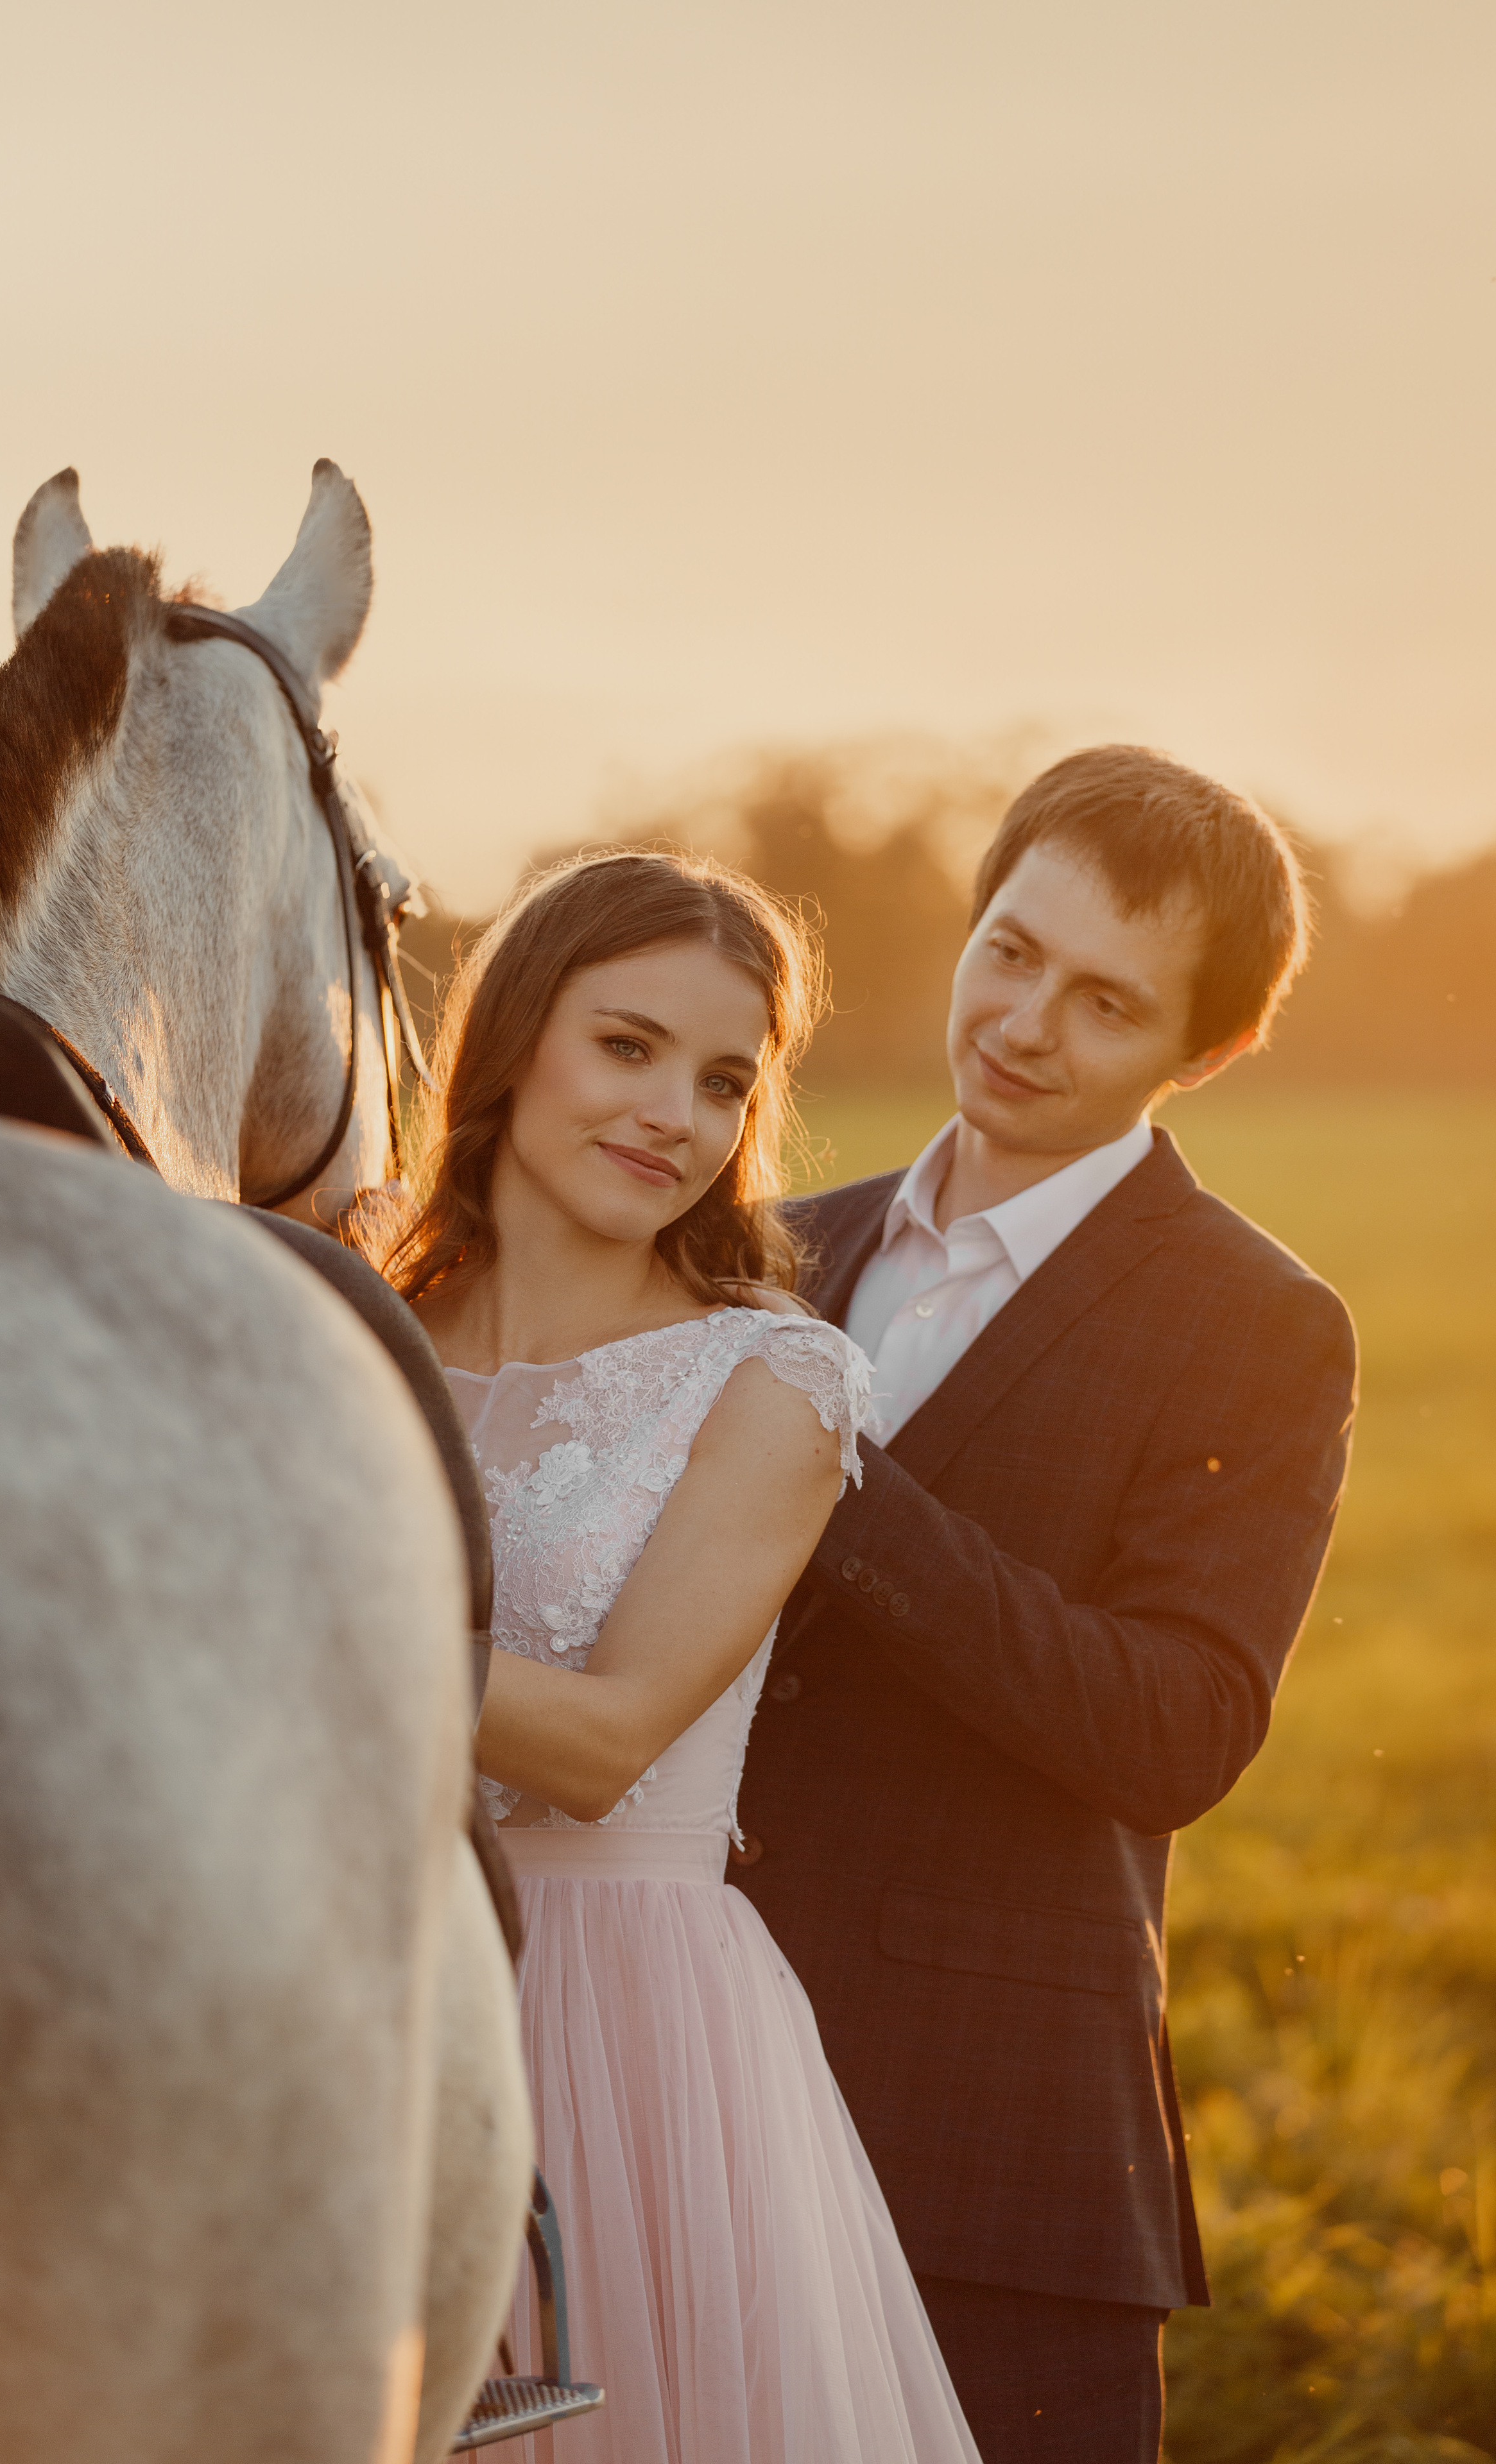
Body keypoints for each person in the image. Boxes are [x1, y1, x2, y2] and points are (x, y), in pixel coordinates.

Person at [732, 745, 1359, 2463]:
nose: (1023, 1023)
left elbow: (1174, 1731)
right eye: (1009, 952)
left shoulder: (1257, 1323)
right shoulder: (768, 1250)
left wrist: (839, 1473)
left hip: (992, 2158)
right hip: (683, 2100)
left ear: (1201, 1054)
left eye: (1106, 1002)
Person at [384, 850, 981, 2463]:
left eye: (723, 1081)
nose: (674, 1115)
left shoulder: (770, 1381)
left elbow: (604, 1745)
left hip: (617, 2019)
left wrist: (291, 1614)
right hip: (351, 1983)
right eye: (626, 1046)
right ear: (512, 1037)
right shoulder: (354, 1331)